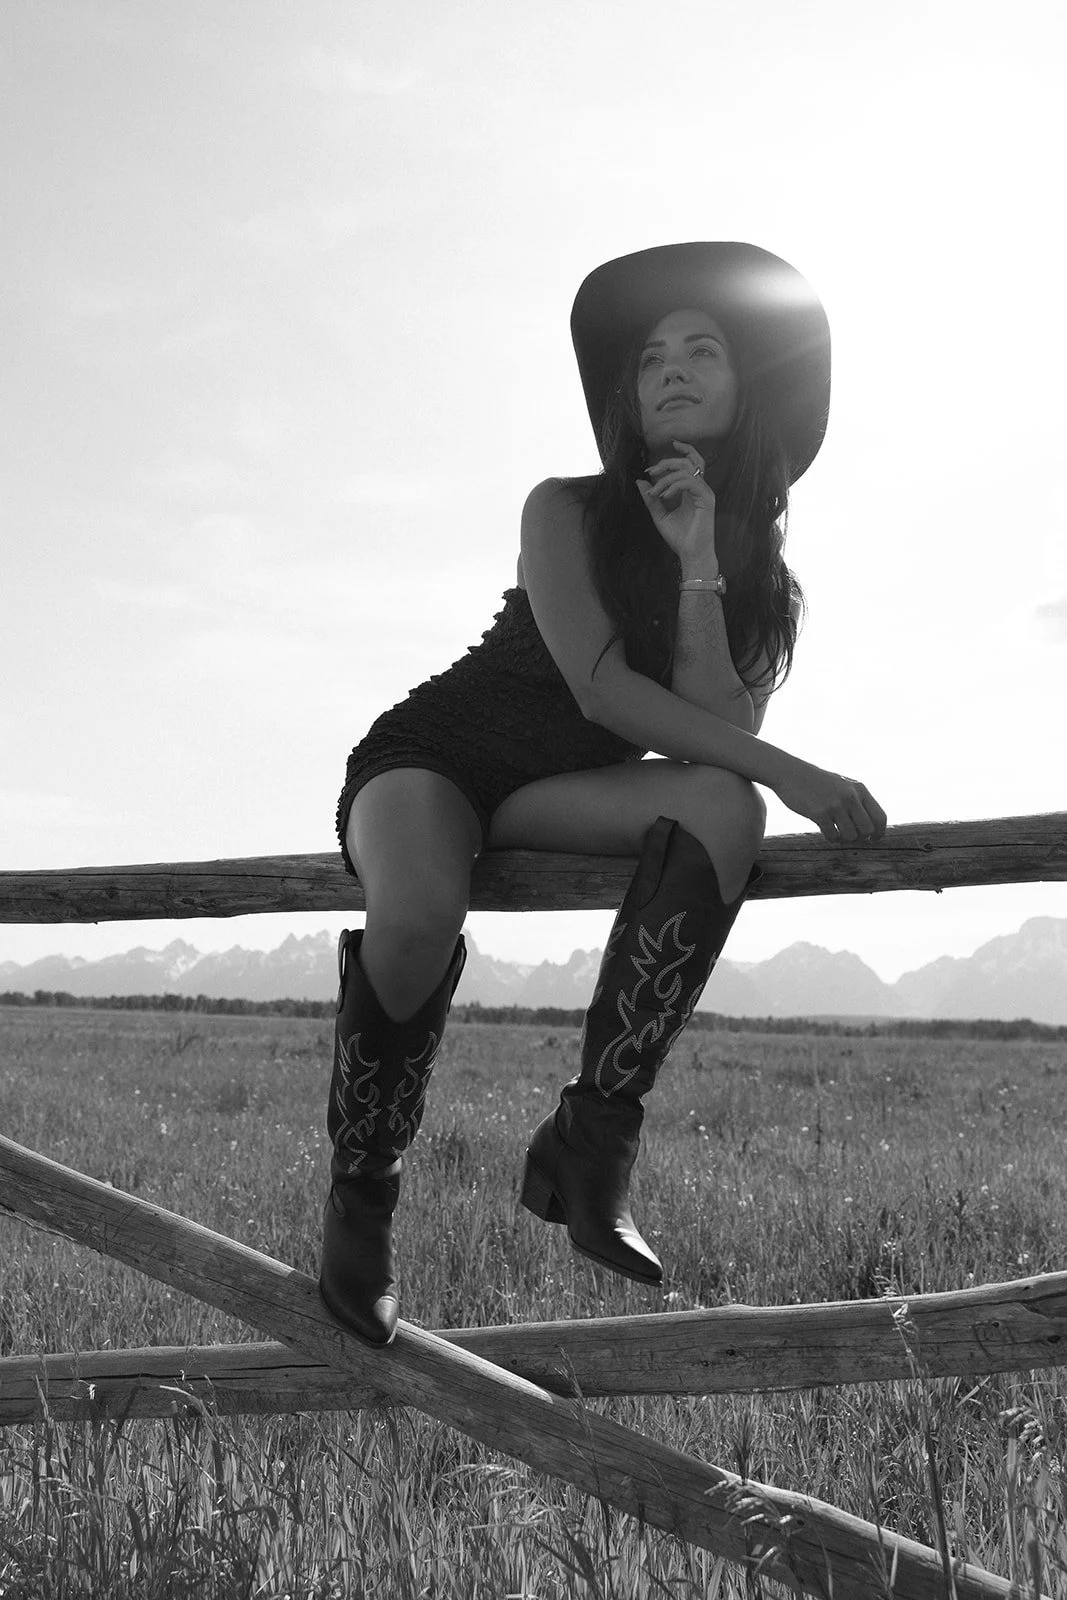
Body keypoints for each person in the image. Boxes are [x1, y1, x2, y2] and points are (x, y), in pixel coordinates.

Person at [320, 241, 887, 1347]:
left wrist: (695, 561)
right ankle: (362, 1192)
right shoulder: (562, 507)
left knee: (726, 806)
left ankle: (593, 1133)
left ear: (743, 389)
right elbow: (602, 689)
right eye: (649, 359)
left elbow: (718, 739)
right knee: (424, 910)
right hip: (432, 761)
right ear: (626, 396)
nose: (669, 370)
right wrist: (804, 773)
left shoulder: (756, 581)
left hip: (556, 789)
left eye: (702, 349)